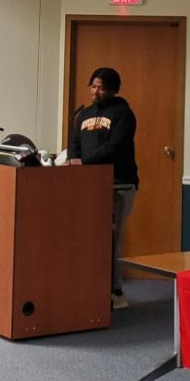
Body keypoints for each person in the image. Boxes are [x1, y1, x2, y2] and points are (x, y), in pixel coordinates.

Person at [68, 67, 139, 310]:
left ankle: (116, 291)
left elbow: (117, 146)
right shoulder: (83, 114)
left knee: (112, 238)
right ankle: (92, 288)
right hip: (89, 184)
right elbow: (75, 144)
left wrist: (86, 161)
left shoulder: (123, 114)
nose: (95, 91)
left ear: (113, 89)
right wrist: (76, 160)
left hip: (120, 183)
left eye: (101, 87)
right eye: (93, 86)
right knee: (92, 237)